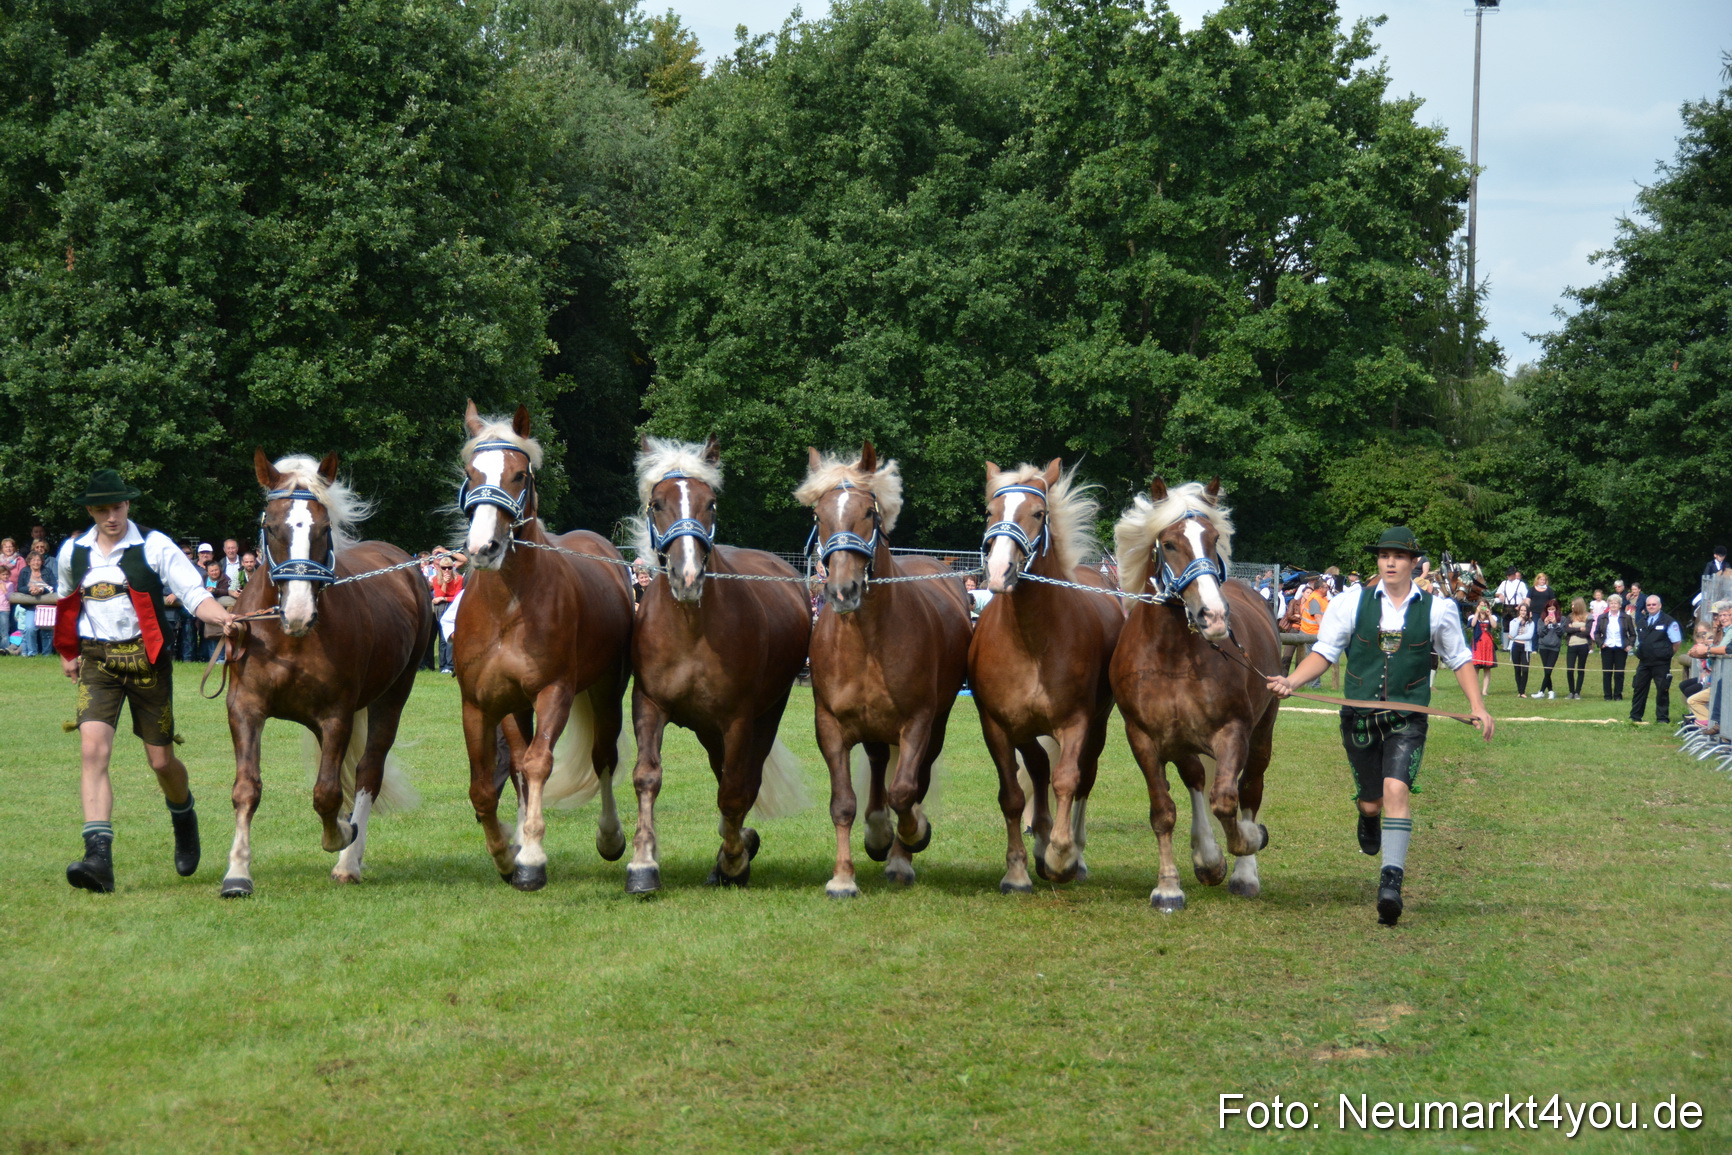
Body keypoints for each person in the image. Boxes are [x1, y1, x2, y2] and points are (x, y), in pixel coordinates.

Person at [1267, 527, 1494, 927]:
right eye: (1384, 555)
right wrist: (1292, 681)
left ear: (1413, 563)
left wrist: (1478, 707)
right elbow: (1325, 652)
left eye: (1399, 556)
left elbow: (1459, 658)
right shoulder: (1351, 602)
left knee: (1396, 791)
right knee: (1371, 801)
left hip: (1408, 717)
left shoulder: (1438, 609)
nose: (1390, 562)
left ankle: (1391, 884)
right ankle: (1368, 815)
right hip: (1359, 717)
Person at [54, 469, 234, 893]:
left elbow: (193, 594)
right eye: (102, 509)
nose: (111, 517)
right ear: (90, 511)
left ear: (128, 505)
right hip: (98, 662)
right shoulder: (72, 552)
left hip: (148, 662)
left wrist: (224, 618)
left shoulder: (155, 545)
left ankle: (183, 816)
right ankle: (98, 859)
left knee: (161, 762)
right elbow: (66, 599)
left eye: (117, 507)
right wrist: (67, 650)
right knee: (92, 751)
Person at [1628, 594, 1681, 724]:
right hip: (1644, 662)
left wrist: (1666, 654)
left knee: (1662, 690)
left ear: (1660, 606)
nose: (1651, 607)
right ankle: (1635, 717)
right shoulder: (1642, 622)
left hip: (1661, 663)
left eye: (1654, 604)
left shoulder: (1669, 621)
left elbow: (1676, 642)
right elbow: (1639, 641)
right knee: (1639, 688)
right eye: (1649, 605)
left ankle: (1662, 718)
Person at [1594, 593, 1633, 700]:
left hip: (1621, 648)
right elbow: (1596, 633)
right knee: (1607, 673)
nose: (1613, 605)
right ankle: (1607, 695)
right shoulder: (1602, 617)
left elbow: (1632, 634)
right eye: (1611, 603)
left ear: (1620, 605)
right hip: (1607, 648)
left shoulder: (1626, 617)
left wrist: (1630, 644)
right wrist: (1600, 643)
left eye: (1616, 603)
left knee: (1619, 673)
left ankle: (1618, 695)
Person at [430, 551, 464, 673]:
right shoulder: (436, 579)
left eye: (449, 568)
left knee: (449, 634)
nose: (447, 570)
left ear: (452, 567)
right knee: (442, 637)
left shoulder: (458, 578)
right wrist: (445, 582)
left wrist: (444, 598)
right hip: (441, 608)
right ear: (440, 568)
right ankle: (442, 665)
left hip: (453, 606)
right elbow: (439, 594)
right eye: (444, 568)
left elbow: (457, 597)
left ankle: (450, 665)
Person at [1531, 603, 1565, 699]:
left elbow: (1561, 633)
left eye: (1553, 609)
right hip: (1543, 647)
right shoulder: (1541, 620)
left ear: (1556, 609)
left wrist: (1555, 624)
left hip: (1554, 647)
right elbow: (1540, 633)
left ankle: (1541, 691)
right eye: (1549, 609)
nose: (1551, 611)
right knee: (1547, 670)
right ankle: (1550, 691)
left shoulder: (1562, 619)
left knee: (1549, 670)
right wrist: (1545, 625)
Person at [1564, 598, 1593, 699]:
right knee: (1570, 669)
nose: (1572, 607)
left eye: (1574, 605)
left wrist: (1573, 629)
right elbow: (1566, 629)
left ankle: (1577, 692)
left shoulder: (1589, 616)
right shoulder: (1570, 616)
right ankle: (1571, 691)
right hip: (1571, 645)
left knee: (1580, 669)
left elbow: (1587, 632)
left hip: (1583, 645)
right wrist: (1579, 628)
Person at [1505, 604, 1535, 697]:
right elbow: (1512, 633)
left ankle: (1522, 690)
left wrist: (1514, 637)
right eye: (1521, 610)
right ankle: (1521, 691)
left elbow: (1529, 636)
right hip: (1515, 646)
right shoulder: (1513, 621)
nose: (1523, 612)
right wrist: (1518, 622)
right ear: (1519, 611)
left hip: (1525, 647)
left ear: (1527, 612)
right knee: (1517, 669)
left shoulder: (1531, 623)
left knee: (1525, 669)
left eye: (1525, 610)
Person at [1469, 602, 1498, 695]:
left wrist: (1489, 615)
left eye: (1485, 606)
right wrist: (1477, 612)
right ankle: (1475, 689)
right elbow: (1472, 624)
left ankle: (1484, 690)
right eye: (1481, 605)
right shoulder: (1473, 616)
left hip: (1487, 644)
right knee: (1476, 668)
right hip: (1477, 644)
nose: (1483, 607)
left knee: (1487, 668)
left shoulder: (1491, 617)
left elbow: (1494, 626)